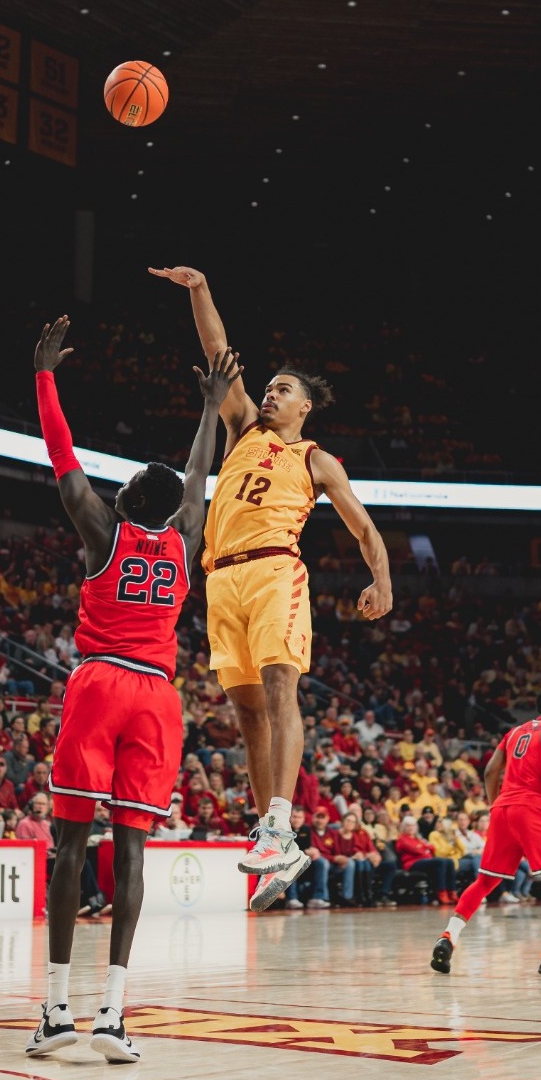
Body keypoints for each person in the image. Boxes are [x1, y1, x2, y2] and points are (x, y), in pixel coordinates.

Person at [152, 265, 393, 908]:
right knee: (246, 713)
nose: (268, 395)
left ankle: (282, 823)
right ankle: (273, 841)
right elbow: (217, 355)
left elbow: (364, 528)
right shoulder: (240, 430)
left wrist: (381, 581)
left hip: (273, 569)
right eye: (267, 387)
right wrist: (201, 290)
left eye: (280, 390)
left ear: (304, 407)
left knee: (282, 685)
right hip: (218, 579)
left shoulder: (316, 459)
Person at [25, 318, 231, 1062]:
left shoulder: (101, 531)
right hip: (159, 697)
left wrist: (45, 374)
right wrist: (210, 408)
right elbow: (199, 474)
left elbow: (60, 453)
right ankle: (113, 1014)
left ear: (127, 497)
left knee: (71, 848)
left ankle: (56, 1010)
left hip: (100, 683)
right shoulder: (186, 537)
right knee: (134, 855)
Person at [429, 685, 541, 978]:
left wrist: (494, 804)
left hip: (503, 809)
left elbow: (489, 772)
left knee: (485, 882)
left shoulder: (514, 732)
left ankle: (449, 936)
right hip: (532, 808)